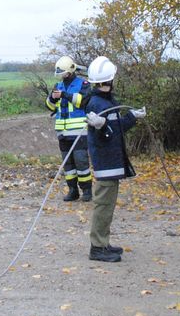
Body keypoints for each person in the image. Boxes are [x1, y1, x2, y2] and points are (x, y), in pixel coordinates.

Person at [84, 56, 145, 263]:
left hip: (113, 161)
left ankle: (103, 242)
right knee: (103, 204)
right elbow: (105, 135)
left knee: (108, 205)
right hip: (105, 162)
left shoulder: (108, 101)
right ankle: (97, 248)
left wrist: (132, 118)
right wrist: (101, 127)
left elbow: (116, 128)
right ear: (109, 79)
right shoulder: (96, 103)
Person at [45, 55, 92, 202]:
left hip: (79, 132)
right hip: (62, 132)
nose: (61, 76)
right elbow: (49, 106)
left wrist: (65, 95)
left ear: (70, 72)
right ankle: (72, 190)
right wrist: (53, 98)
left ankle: (87, 191)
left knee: (81, 162)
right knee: (68, 164)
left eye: (62, 73)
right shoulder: (58, 86)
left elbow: (83, 101)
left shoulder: (83, 84)